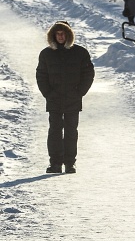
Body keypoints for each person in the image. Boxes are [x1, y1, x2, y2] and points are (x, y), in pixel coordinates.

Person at [36, 21, 95, 174]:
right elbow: (41, 75)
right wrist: (48, 93)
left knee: (71, 132)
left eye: (63, 33)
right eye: (58, 33)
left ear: (69, 34)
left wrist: (80, 92)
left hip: (73, 99)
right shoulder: (46, 54)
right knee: (54, 131)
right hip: (54, 99)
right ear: (53, 35)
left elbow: (88, 73)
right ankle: (55, 163)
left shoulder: (80, 53)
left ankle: (70, 163)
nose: (61, 36)